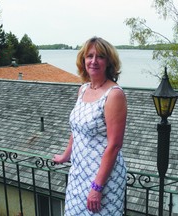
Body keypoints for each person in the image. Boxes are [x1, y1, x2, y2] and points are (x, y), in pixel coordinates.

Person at [53, 36, 127, 216]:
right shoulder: (83, 89)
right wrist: (65, 155)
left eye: (100, 56)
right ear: (83, 60)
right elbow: (76, 128)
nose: (94, 61)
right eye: (89, 56)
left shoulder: (113, 94)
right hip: (78, 172)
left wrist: (97, 187)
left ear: (108, 62)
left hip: (102, 178)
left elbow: (115, 145)